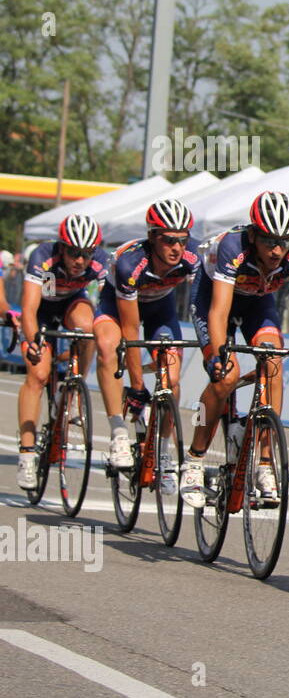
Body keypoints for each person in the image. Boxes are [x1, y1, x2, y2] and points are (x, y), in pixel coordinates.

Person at [178, 191, 289, 507]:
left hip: (258, 303)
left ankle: (264, 462)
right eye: (269, 241)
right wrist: (219, 355)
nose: (277, 250)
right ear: (253, 235)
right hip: (213, 299)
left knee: (273, 360)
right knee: (225, 377)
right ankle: (194, 459)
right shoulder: (233, 246)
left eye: (283, 242)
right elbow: (219, 312)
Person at [92, 199, 203, 491]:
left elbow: (204, 300)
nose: (177, 248)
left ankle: (163, 451)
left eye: (182, 240)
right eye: (168, 240)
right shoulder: (130, 262)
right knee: (106, 347)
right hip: (116, 308)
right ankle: (118, 433)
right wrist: (138, 387)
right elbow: (130, 330)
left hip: (159, 308)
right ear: (153, 236)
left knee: (172, 376)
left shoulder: (193, 255)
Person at [16, 215, 111, 490]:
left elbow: (107, 304)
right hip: (42, 311)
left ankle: (73, 388)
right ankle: (26, 454)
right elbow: (30, 309)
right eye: (73, 253)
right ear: (61, 247)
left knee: (90, 326)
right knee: (38, 374)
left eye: (86, 254)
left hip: (71, 303)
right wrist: (34, 342)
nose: (79, 260)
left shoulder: (100, 260)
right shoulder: (43, 256)